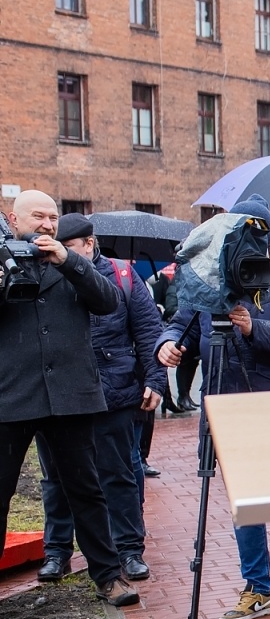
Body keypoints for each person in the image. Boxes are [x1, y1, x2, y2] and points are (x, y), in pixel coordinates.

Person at [157, 195, 270, 619]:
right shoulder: (209, 280)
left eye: (255, 231)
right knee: (244, 505)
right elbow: (182, 322)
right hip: (225, 408)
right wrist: (167, 345)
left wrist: (254, 327)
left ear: (268, 234)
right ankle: (258, 589)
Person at [0, 193, 138, 607]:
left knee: (86, 490)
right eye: (37, 216)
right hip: (12, 396)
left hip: (72, 396)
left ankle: (108, 577)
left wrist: (70, 261)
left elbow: (109, 301)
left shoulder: (73, 262)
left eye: (53, 217)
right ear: (13, 219)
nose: (46, 223)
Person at [36, 215, 166, 584]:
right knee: (57, 478)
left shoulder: (122, 277)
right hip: (59, 394)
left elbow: (148, 332)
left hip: (114, 391)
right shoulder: (46, 271)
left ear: (88, 244)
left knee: (118, 474)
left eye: (69, 247)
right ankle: (57, 552)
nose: (60, 253)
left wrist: (155, 380)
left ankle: (129, 550)